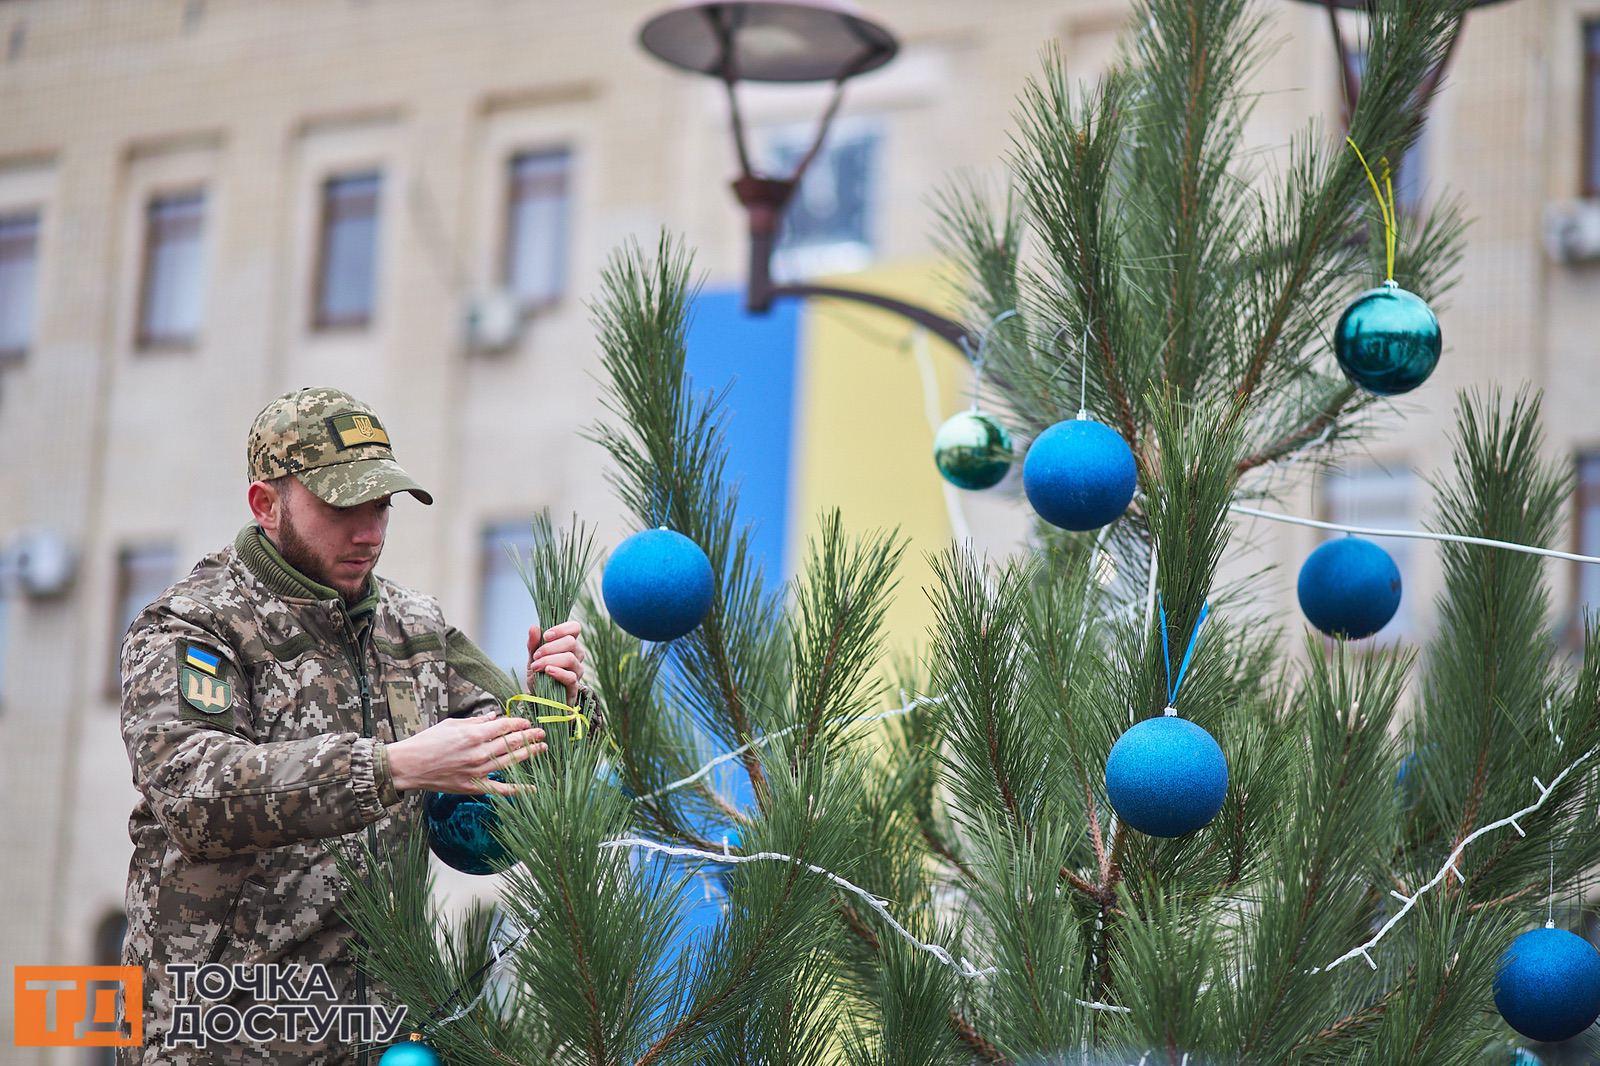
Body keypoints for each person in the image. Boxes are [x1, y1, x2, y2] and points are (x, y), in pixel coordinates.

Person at [117, 386, 587, 1064]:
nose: (368, 533)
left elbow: (508, 748)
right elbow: (193, 791)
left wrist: (557, 704)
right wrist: (391, 766)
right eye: (342, 508)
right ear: (265, 504)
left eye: (380, 507)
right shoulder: (196, 626)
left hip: (377, 1038)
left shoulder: (414, 626)